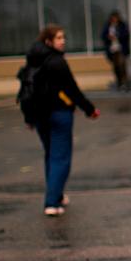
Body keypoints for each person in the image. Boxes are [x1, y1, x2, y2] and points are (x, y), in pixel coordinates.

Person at [25, 25, 100, 217]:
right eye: (58, 38)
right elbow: (72, 89)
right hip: (59, 114)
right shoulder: (57, 62)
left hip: (40, 115)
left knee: (51, 155)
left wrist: (28, 117)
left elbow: (26, 89)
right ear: (48, 41)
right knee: (61, 158)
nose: (63, 41)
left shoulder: (33, 60)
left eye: (63, 37)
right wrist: (89, 109)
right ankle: (51, 202)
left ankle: (56, 196)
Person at [100, 10, 131, 91]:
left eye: (116, 18)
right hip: (112, 50)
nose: (114, 19)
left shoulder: (122, 25)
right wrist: (109, 37)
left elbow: (126, 35)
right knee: (116, 67)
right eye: (113, 18)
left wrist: (117, 36)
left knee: (122, 65)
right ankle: (119, 82)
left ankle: (125, 83)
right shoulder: (108, 26)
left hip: (121, 49)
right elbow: (103, 36)